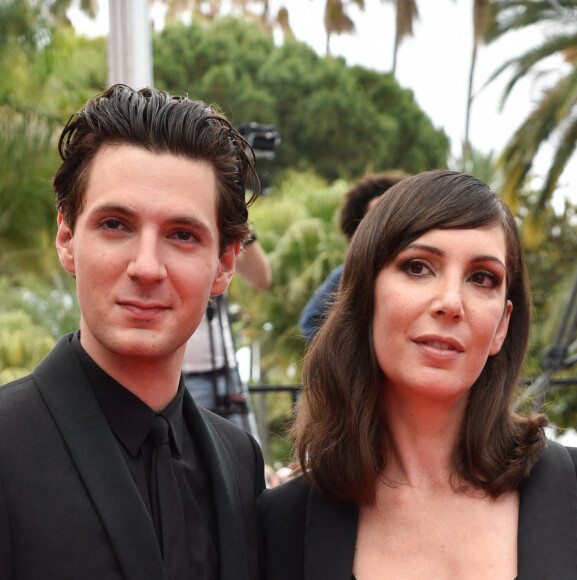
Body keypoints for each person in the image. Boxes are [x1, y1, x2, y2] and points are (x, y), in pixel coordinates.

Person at [0, 84, 266, 580]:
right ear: (67, 239)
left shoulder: (240, 461)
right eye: (116, 225)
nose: (147, 267)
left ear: (225, 264)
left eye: (182, 235)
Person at [258, 170, 577, 579]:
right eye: (417, 267)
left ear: (502, 325)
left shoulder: (573, 492)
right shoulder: (283, 523)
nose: (450, 302)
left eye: (482, 278)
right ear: (365, 296)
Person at [299, 171, 407, 343]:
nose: (385, 224)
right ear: (360, 229)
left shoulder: (430, 267)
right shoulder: (347, 274)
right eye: (376, 218)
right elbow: (311, 323)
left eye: (392, 215)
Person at [183, 234, 271, 430]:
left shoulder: (214, 235)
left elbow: (261, 279)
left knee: (242, 454)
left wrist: (242, 225)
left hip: (226, 373)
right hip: (179, 376)